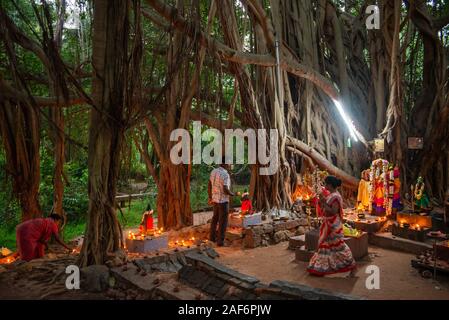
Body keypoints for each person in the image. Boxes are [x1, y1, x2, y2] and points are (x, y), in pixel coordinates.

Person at [307, 176, 356, 277]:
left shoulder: (336, 197)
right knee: (324, 246)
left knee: (338, 246)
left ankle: (351, 265)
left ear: (330, 185)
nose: (325, 186)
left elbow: (333, 211)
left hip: (333, 225)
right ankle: (320, 268)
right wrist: (321, 202)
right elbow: (325, 209)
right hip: (327, 223)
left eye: (326, 184)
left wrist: (324, 202)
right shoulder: (330, 195)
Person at [208, 156, 235, 247]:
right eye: (229, 163)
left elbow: (209, 185)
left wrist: (210, 197)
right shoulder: (225, 174)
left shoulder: (213, 171)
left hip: (215, 200)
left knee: (215, 219)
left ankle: (212, 238)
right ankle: (220, 242)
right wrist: (232, 194)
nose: (230, 165)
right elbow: (225, 189)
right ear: (225, 163)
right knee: (223, 222)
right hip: (223, 201)